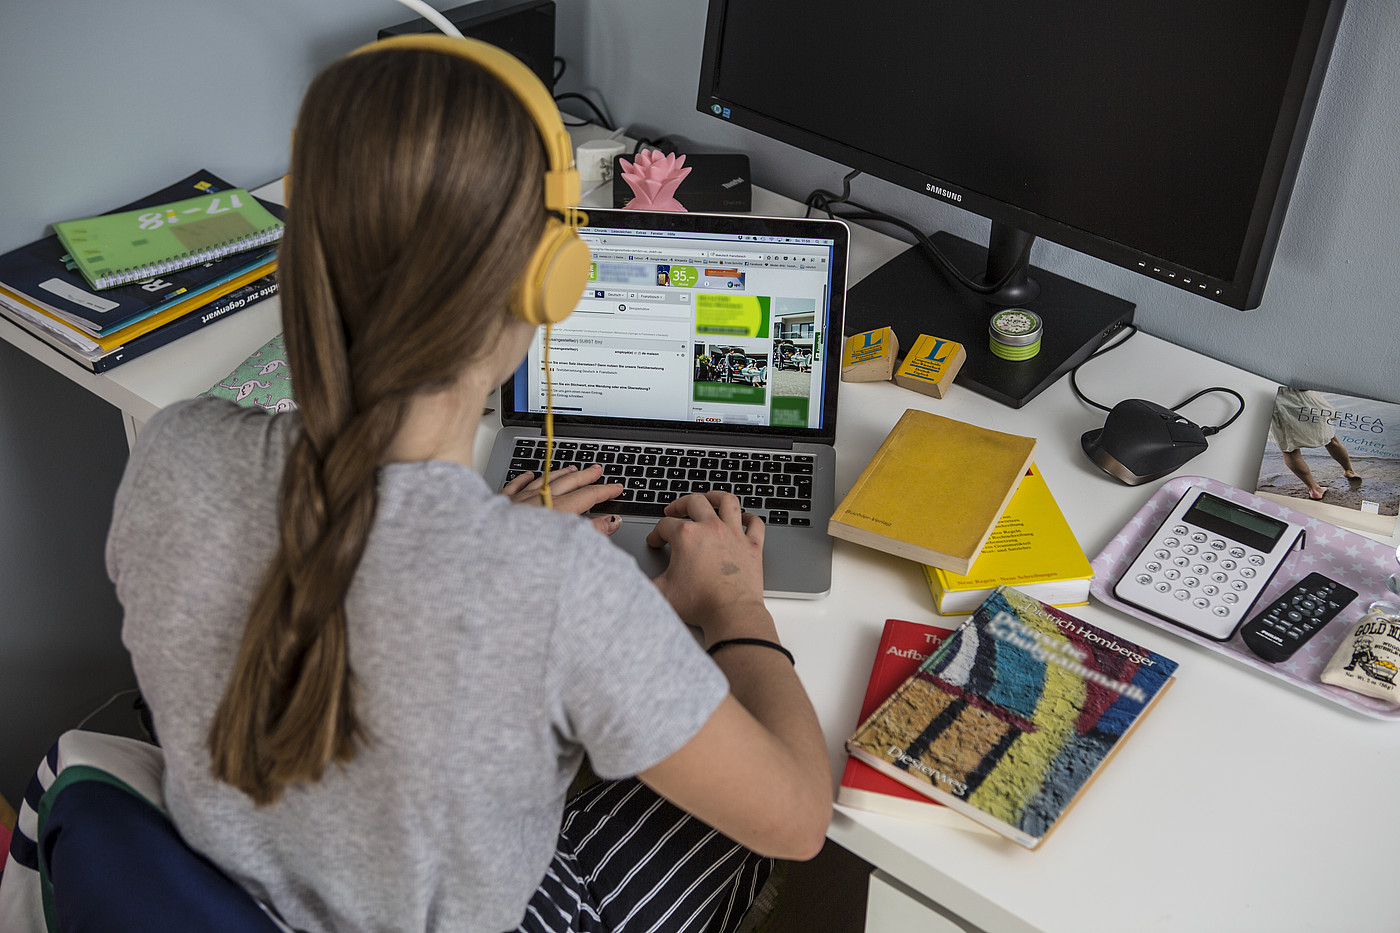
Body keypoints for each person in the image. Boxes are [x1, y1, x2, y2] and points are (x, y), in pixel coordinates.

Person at [103, 39, 830, 933]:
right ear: (547, 283)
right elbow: (798, 820)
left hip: (251, 892)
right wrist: (735, 609)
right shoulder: (557, 589)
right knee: (737, 822)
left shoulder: (172, 453)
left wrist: (487, 531)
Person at [1269, 387, 1361, 500]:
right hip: (1300, 402)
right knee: (1331, 439)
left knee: (1290, 450)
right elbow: (1303, 386)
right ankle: (1349, 471)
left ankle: (1314, 489)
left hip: (1275, 406)